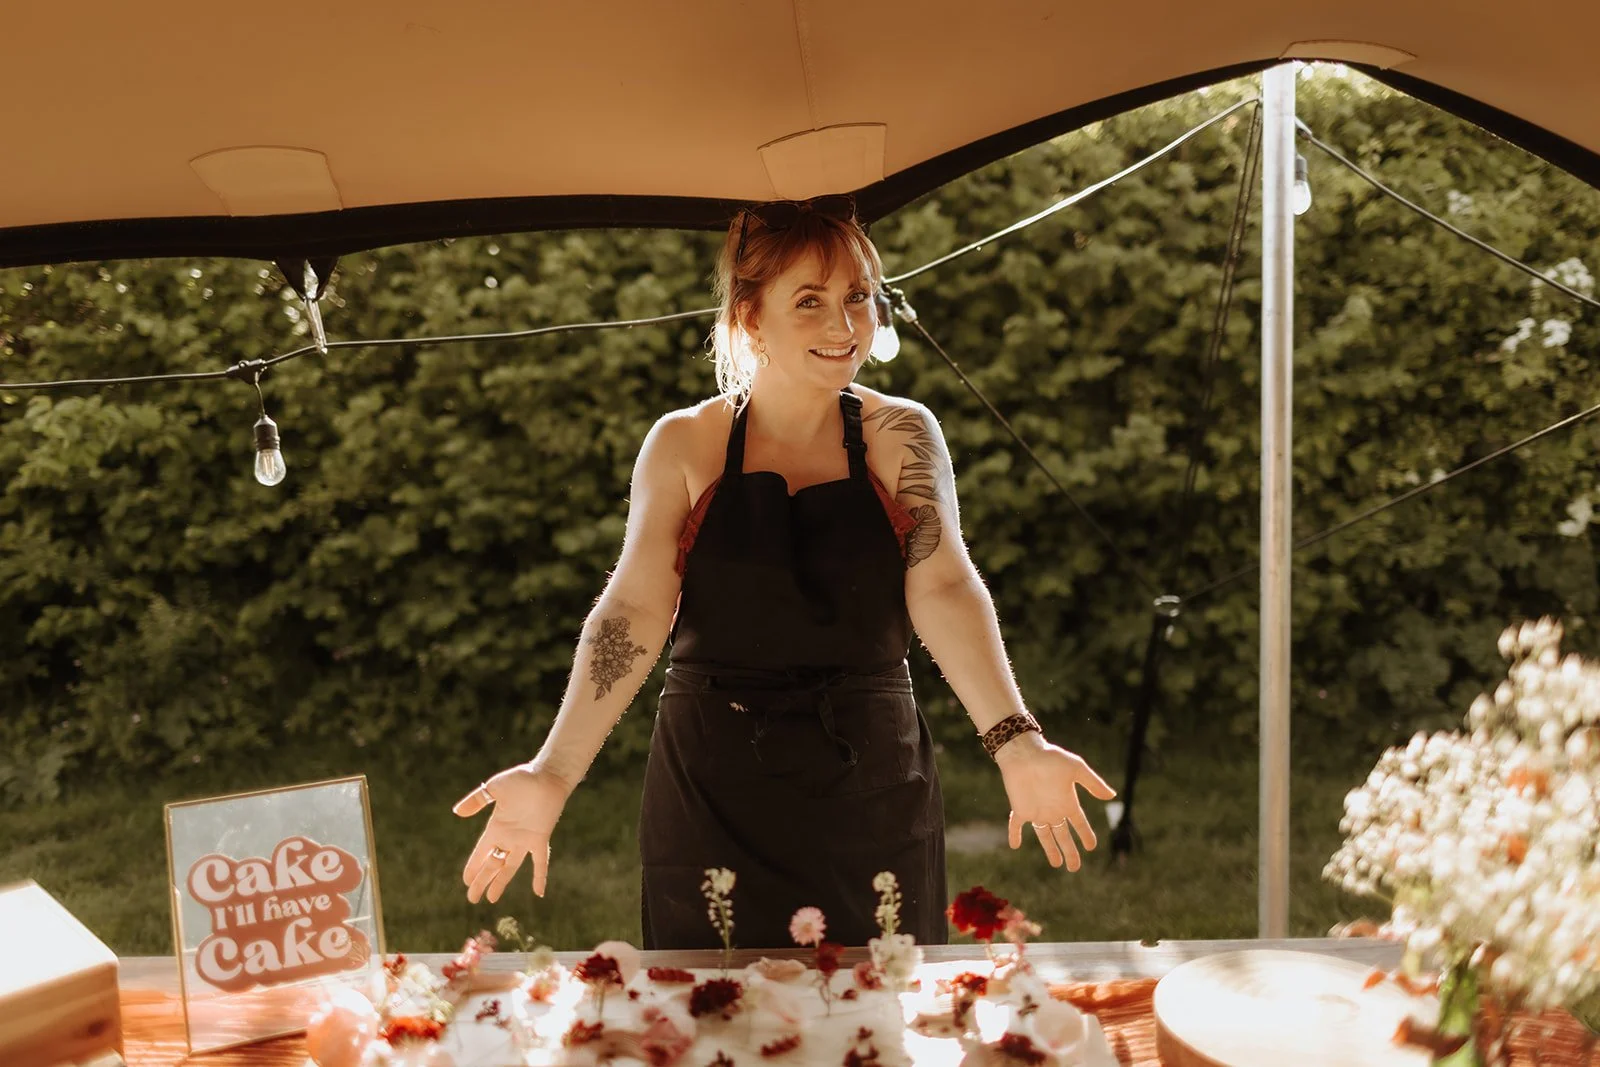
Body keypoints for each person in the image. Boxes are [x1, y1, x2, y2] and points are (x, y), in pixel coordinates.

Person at [454, 195, 1115, 949]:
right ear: (749, 316)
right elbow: (633, 611)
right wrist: (553, 772)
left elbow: (944, 584)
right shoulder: (684, 444)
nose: (844, 326)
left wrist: (1015, 738)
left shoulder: (903, 433)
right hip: (711, 789)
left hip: (874, 784)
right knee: (712, 1024)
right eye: (810, 301)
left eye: (858, 297)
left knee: (877, 1019)